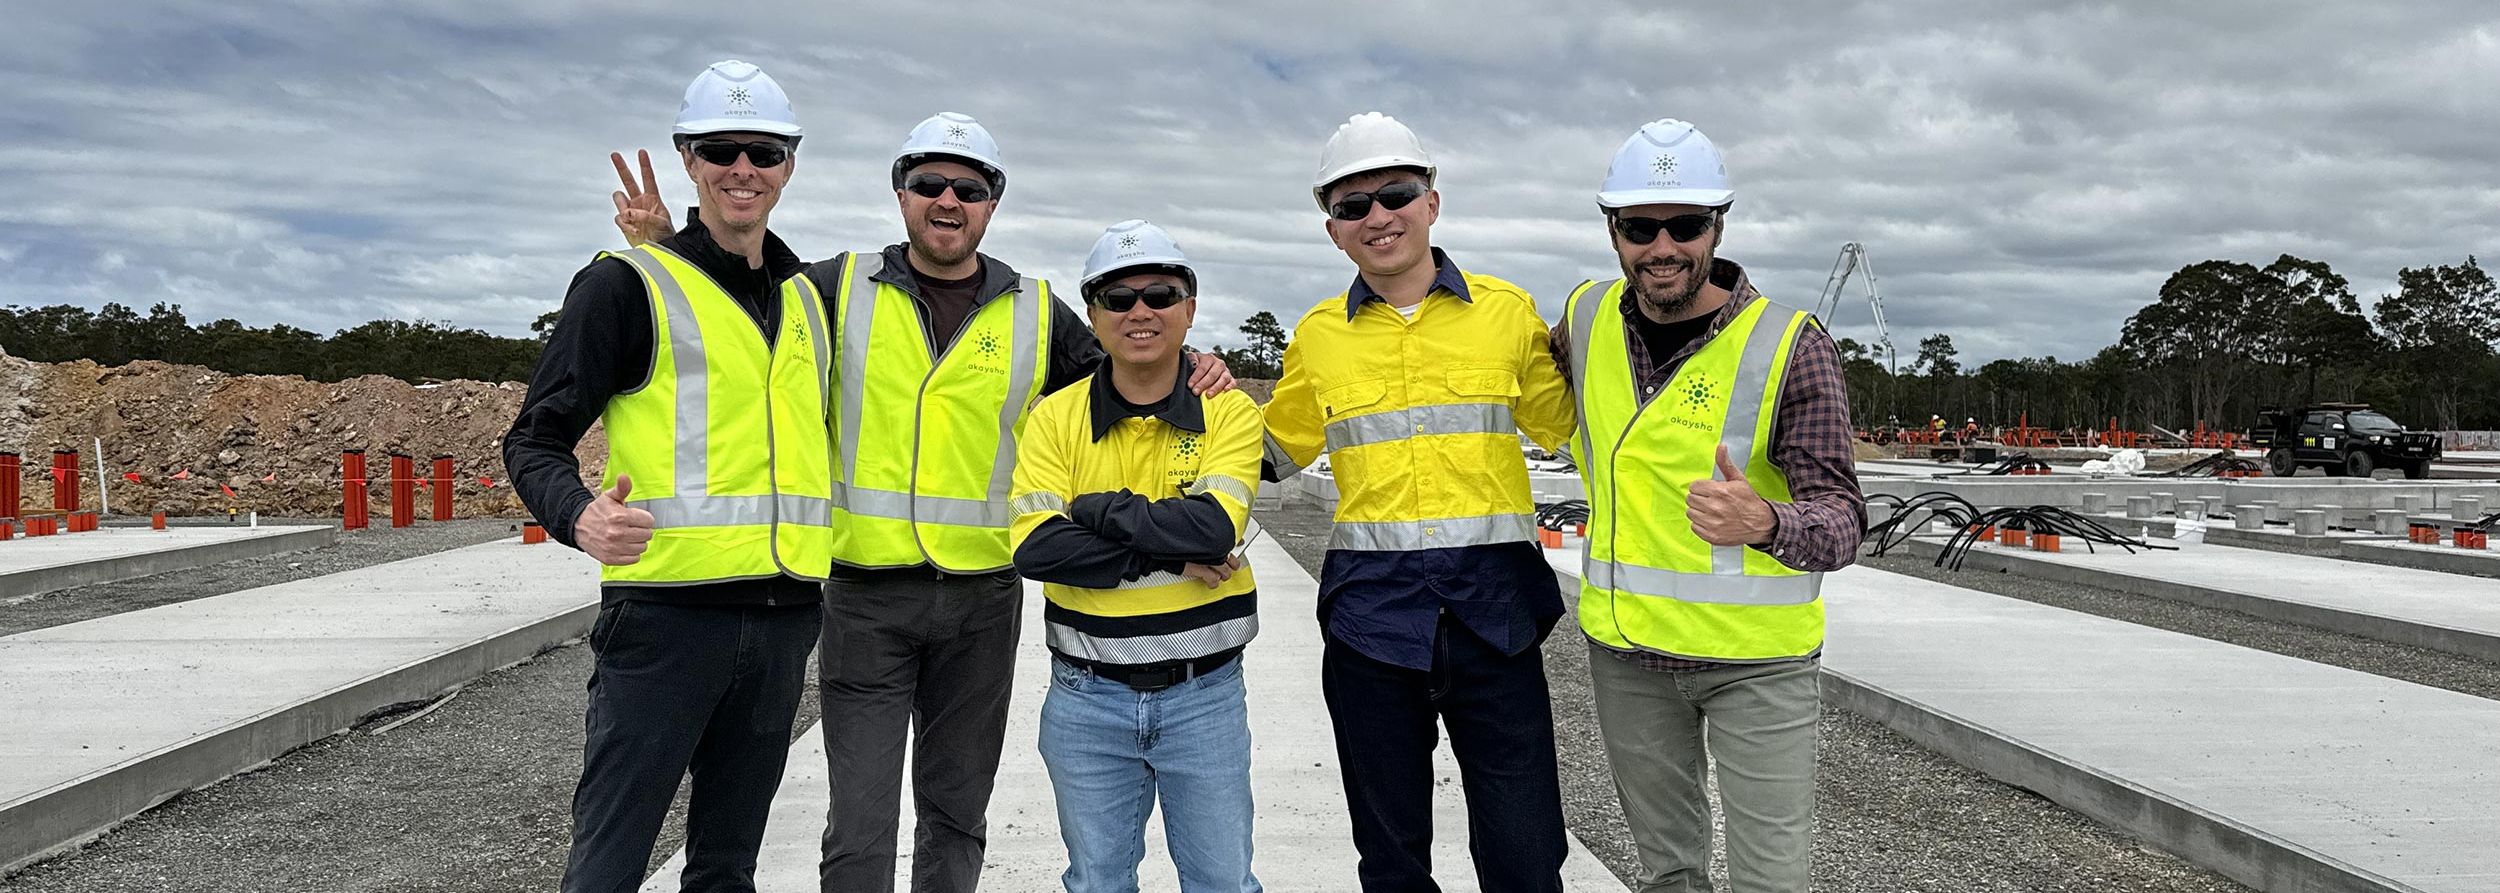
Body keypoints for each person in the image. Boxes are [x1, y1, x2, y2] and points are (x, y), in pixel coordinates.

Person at [613, 111, 1231, 893]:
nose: (948, 199)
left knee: (956, 810)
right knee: (862, 821)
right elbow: (737, 300)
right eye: (928, 183)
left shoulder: (1037, 311)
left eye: (968, 187)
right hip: (865, 601)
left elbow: (1132, 374)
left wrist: (1197, 362)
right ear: (900, 193)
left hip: (982, 602)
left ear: (992, 202)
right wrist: (671, 252)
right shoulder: (833, 287)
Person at [506, 60, 828, 893]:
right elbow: (534, 438)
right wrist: (577, 516)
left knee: (726, 868)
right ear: (689, 157)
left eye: (763, 151)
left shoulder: (806, 301)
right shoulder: (625, 285)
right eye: (722, 150)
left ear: (789, 163)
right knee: (609, 862)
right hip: (664, 623)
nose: (743, 170)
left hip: (783, 615)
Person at [1261, 112, 1576, 892]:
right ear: (1331, 229)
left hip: (1494, 619)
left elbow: (1575, 427)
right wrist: (1179, 387)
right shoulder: (1318, 337)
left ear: (1431, 202)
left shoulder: (1507, 314)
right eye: (1351, 206)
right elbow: (1267, 453)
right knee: (1391, 860)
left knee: (1527, 855)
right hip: (1372, 624)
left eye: (1394, 194)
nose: (1377, 217)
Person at [1550, 118, 1865, 893]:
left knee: (1770, 879)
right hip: (1630, 660)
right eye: (1640, 226)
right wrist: (1201, 365)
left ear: (1718, 226)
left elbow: (1845, 518)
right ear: (1613, 231)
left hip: (1757, 666)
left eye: (1685, 225)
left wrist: (1768, 521)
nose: (1663, 246)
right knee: (1670, 876)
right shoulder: (1586, 320)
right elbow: (1480, 365)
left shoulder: (1791, 345)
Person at [1009, 220, 1265, 893]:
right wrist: (1170, 555)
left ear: (1189, 307)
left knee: (1222, 882)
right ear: (1092, 315)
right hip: (1085, 698)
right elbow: (1037, 547)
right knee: (1097, 883)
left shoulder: (1229, 413)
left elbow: (1211, 529)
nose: (1140, 310)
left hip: (1203, 696)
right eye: (1118, 298)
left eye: (1160, 292)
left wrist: (1093, 507)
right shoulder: (1054, 418)